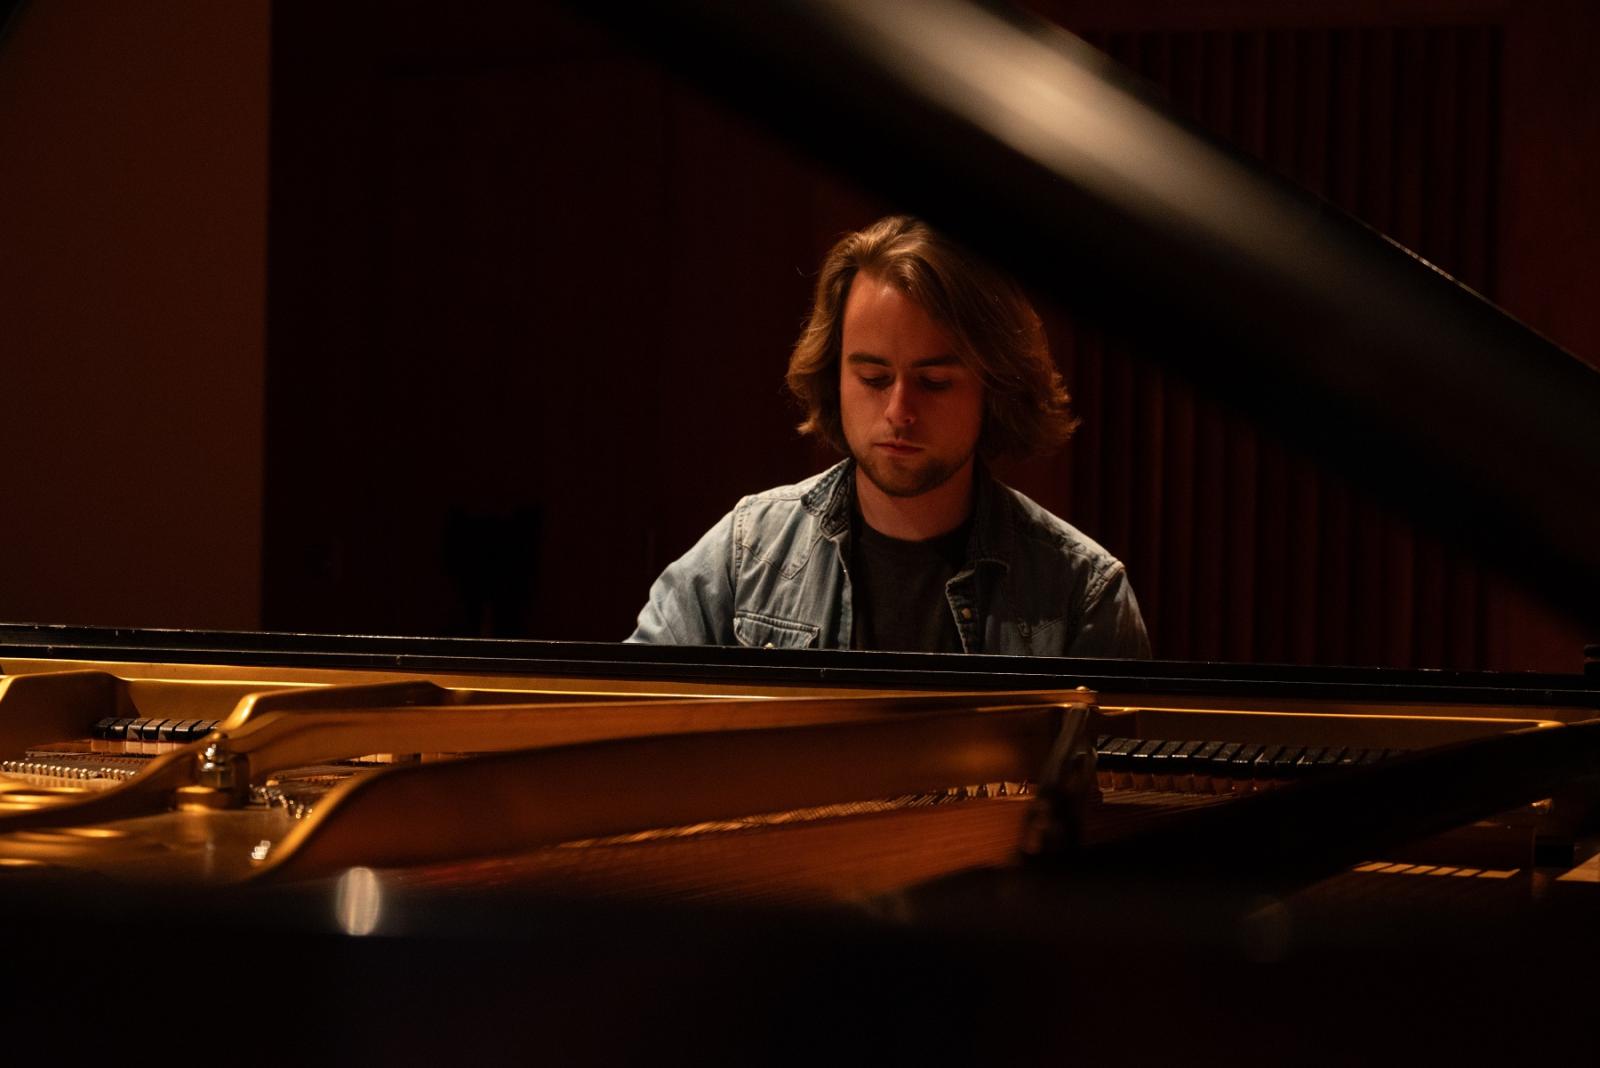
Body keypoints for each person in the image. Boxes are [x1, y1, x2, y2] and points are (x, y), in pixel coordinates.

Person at [627, 215, 1149, 657]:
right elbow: (627, 734)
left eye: (934, 382)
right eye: (874, 379)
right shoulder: (745, 556)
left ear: (995, 387)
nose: (899, 410)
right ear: (836, 373)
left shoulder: (1083, 591)